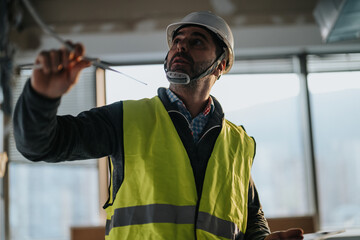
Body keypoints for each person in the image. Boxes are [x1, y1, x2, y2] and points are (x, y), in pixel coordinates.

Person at [13, 11, 304, 240]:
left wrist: (264, 238)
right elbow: (40, 145)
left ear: (220, 65)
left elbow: (250, 216)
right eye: (177, 41)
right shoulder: (125, 120)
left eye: (196, 41)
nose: (180, 47)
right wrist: (41, 98)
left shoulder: (239, 143)